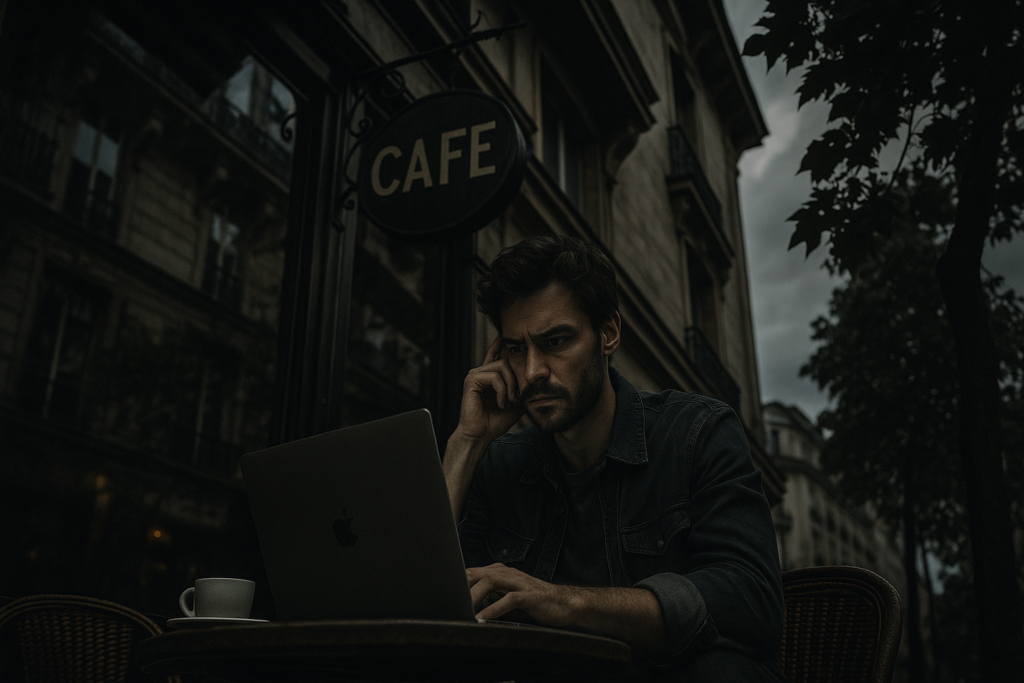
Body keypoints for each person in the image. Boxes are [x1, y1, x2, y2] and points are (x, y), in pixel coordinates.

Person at [442, 234, 785, 680]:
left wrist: (564, 602)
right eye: (516, 348)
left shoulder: (696, 433)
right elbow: (427, 607)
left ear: (608, 334)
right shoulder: (499, 464)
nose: (532, 372)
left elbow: (750, 602)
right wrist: (465, 443)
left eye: (556, 342)